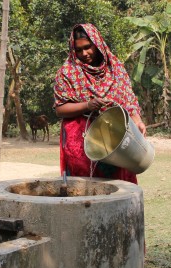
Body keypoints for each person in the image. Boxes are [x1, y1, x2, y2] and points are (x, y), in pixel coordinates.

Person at [53, 23, 147, 184]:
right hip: (81, 139)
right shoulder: (67, 72)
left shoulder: (115, 68)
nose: (84, 53)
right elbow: (60, 109)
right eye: (78, 50)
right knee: (84, 186)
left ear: (97, 43)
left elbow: (128, 100)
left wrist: (137, 121)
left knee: (117, 183)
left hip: (115, 133)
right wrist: (87, 105)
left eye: (88, 47)